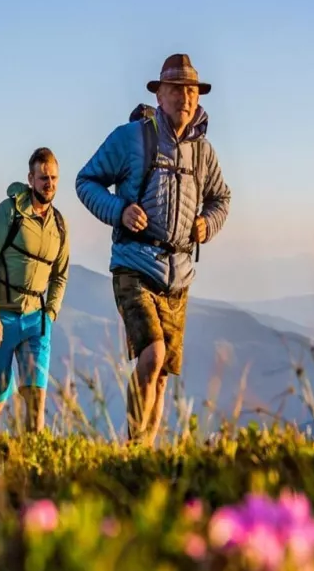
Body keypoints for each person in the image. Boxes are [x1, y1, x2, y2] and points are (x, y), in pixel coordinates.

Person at [75, 53, 232, 445]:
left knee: (161, 376)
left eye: (192, 90)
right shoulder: (131, 138)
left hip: (179, 274)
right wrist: (119, 211)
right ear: (158, 94)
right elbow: (86, 181)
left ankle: (145, 449)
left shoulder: (203, 152)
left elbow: (221, 199)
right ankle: (131, 447)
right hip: (134, 264)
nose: (186, 97)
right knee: (153, 356)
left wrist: (206, 224)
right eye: (176, 89)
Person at [0, 147, 70, 440]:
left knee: (36, 400)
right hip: (1, 318)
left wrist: (50, 314)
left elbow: (60, 274)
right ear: (31, 178)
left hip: (36, 323)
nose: (49, 183)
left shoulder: (60, 225)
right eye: (43, 178)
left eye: (53, 177)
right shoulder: (10, 211)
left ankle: (32, 471)